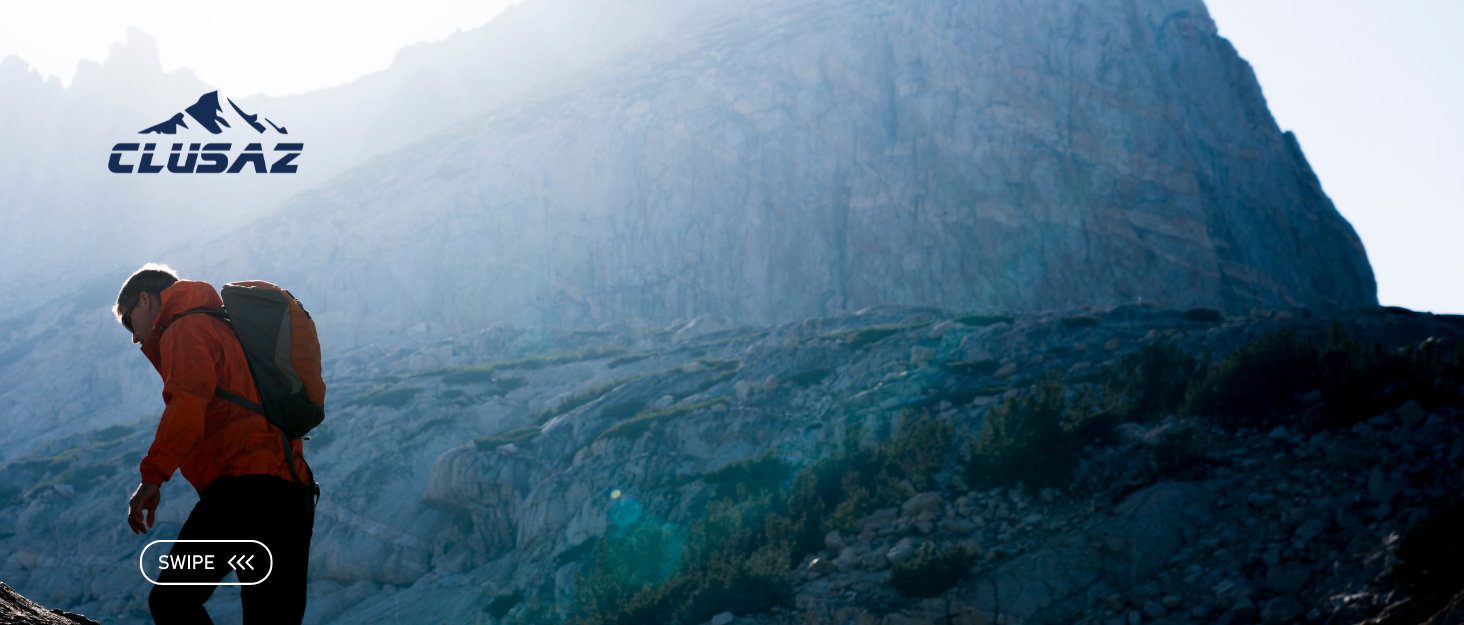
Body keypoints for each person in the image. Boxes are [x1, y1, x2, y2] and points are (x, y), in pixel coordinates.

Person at [115, 264, 317, 624]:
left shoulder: (185, 327)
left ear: (145, 300)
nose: (134, 337)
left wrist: (153, 477)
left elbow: (188, 404)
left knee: (171, 602)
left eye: (130, 322)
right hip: (291, 494)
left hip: (243, 492)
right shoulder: (226, 328)